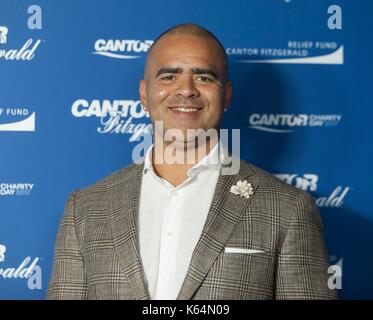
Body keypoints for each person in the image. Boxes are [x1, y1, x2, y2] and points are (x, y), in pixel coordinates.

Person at [47, 23, 337, 300]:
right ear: (144, 95)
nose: (186, 89)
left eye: (204, 77)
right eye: (169, 76)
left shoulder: (287, 209)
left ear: (226, 96)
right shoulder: (84, 208)